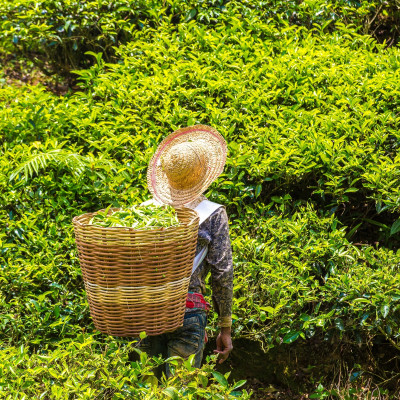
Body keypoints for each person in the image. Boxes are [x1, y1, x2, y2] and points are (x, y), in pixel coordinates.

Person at [138, 125, 234, 378]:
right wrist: (225, 328)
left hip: (146, 309)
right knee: (180, 389)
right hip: (188, 309)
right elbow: (222, 272)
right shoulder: (213, 214)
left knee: (145, 387)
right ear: (203, 174)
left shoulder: (143, 212)